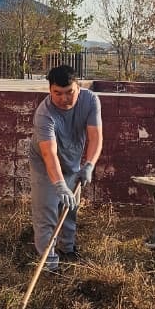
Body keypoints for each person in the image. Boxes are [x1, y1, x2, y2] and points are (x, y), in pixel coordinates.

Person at [30, 65, 103, 271]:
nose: (64, 98)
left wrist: (89, 164)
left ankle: (67, 249)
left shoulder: (90, 101)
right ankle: (49, 264)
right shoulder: (44, 115)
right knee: (47, 211)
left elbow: (96, 137)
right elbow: (49, 154)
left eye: (69, 92)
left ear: (78, 87)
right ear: (50, 91)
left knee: (70, 207)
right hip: (45, 165)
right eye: (57, 93)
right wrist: (60, 185)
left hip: (72, 158)